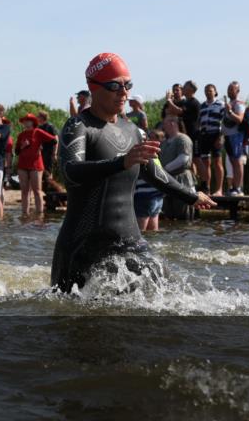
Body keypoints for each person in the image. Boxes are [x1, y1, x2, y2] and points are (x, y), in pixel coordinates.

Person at [52, 53, 215, 293]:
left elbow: (156, 174)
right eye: (115, 86)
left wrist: (191, 195)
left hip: (129, 242)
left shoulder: (135, 132)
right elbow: (71, 171)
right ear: (93, 88)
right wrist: (121, 162)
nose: (124, 92)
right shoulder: (79, 126)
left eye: (128, 85)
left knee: (177, 293)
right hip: (82, 247)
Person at [15, 113, 57, 217]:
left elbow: (54, 140)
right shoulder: (21, 135)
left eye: (28, 120)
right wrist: (22, 146)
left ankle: (40, 215)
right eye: (24, 120)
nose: (25, 122)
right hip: (22, 164)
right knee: (24, 191)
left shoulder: (38, 132)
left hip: (36, 165)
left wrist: (41, 146)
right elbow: (16, 152)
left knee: (37, 191)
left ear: (33, 122)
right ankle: (25, 214)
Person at [159, 115, 196, 221]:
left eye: (164, 123)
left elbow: (184, 158)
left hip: (182, 179)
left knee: (183, 212)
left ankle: (183, 235)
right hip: (168, 180)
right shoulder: (165, 142)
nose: (163, 126)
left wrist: (165, 169)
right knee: (168, 213)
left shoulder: (183, 139)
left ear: (172, 123)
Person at [133, 129, 167, 232]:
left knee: (140, 233)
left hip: (143, 197)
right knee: (153, 232)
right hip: (157, 195)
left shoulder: (138, 154)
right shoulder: (153, 154)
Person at [195, 83, 225, 196]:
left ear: (215, 92)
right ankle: (206, 189)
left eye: (210, 90)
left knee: (217, 162)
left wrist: (220, 137)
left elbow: (224, 122)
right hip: (204, 135)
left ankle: (219, 189)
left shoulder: (220, 104)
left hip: (216, 134)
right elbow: (199, 121)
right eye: (206, 90)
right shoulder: (202, 106)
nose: (208, 92)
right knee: (205, 162)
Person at [221, 81, 247, 196]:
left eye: (232, 89)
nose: (229, 91)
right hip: (227, 136)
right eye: (228, 89)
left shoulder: (239, 103)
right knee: (232, 161)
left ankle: (238, 188)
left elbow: (239, 119)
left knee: (237, 162)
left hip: (236, 135)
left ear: (237, 91)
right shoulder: (230, 102)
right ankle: (234, 187)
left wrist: (230, 111)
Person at [36, 110, 63, 193]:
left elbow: (56, 140)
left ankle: (50, 192)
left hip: (49, 153)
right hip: (41, 154)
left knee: (49, 172)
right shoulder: (39, 127)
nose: (37, 118)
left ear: (43, 117)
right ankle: (44, 191)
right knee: (41, 172)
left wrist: (54, 153)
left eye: (38, 116)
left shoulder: (50, 126)